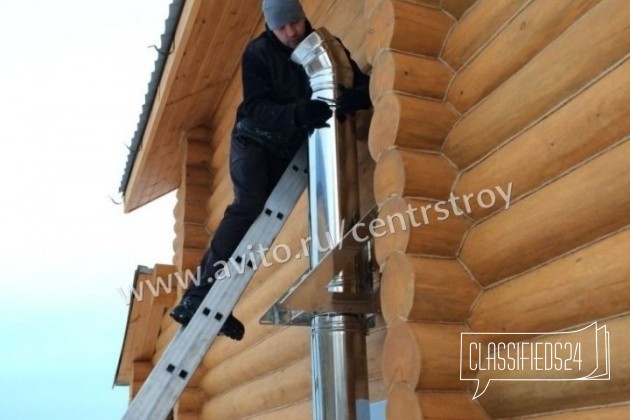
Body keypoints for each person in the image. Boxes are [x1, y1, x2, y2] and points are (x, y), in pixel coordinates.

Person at [170, 0, 371, 340]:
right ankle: (197, 298)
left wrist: (358, 98)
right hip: (254, 144)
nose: (291, 32)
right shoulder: (257, 54)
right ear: (270, 27)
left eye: (295, 22)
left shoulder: (325, 43)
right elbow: (256, 108)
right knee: (249, 207)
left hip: (286, 150)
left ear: (303, 16)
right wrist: (296, 113)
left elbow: (359, 82)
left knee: (264, 221)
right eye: (282, 28)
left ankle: (210, 303)